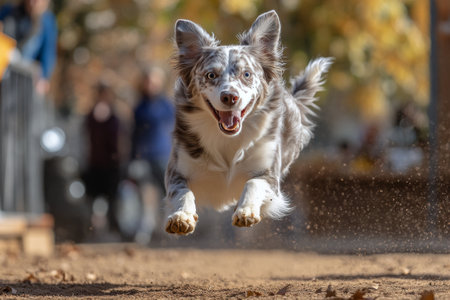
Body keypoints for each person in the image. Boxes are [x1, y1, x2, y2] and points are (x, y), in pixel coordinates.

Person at [84, 81, 121, 234]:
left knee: (112, 200)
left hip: (112, 165)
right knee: (92, 199)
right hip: (94, 163)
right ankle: (92, 230)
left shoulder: (115, 117)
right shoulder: (90, 116)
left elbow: (120, 140)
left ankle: (113, 229)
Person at [131, 66, 175, 192]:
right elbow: (135, 134)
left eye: (154, 81)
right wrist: (133, 157)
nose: (151, 85)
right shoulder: (140, 107)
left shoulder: (166, 105)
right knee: (145, 193)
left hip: (163, 156)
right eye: (148, 81)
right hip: (144, 158)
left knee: (168, 193)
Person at [0, 0, 57, 94]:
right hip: (3, 68)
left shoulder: (47, 21)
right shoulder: (9, 11)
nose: (33, 2)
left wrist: (44, 77)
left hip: (21, 79)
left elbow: (48, 53)